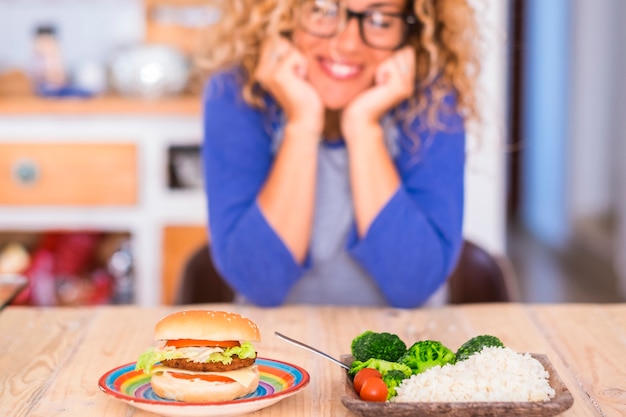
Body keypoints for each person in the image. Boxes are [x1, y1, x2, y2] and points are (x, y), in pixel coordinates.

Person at [197, 0, 482, 307]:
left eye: (380, 19)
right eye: (323, 10)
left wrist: (363, 127)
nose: (347, 43)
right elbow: (260, 282)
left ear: (410, 32)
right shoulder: (235, 94)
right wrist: (302, 123)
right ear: (284, 14)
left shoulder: (434, 104)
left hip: (406, 344)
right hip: (273, 347)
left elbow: (413, 284)